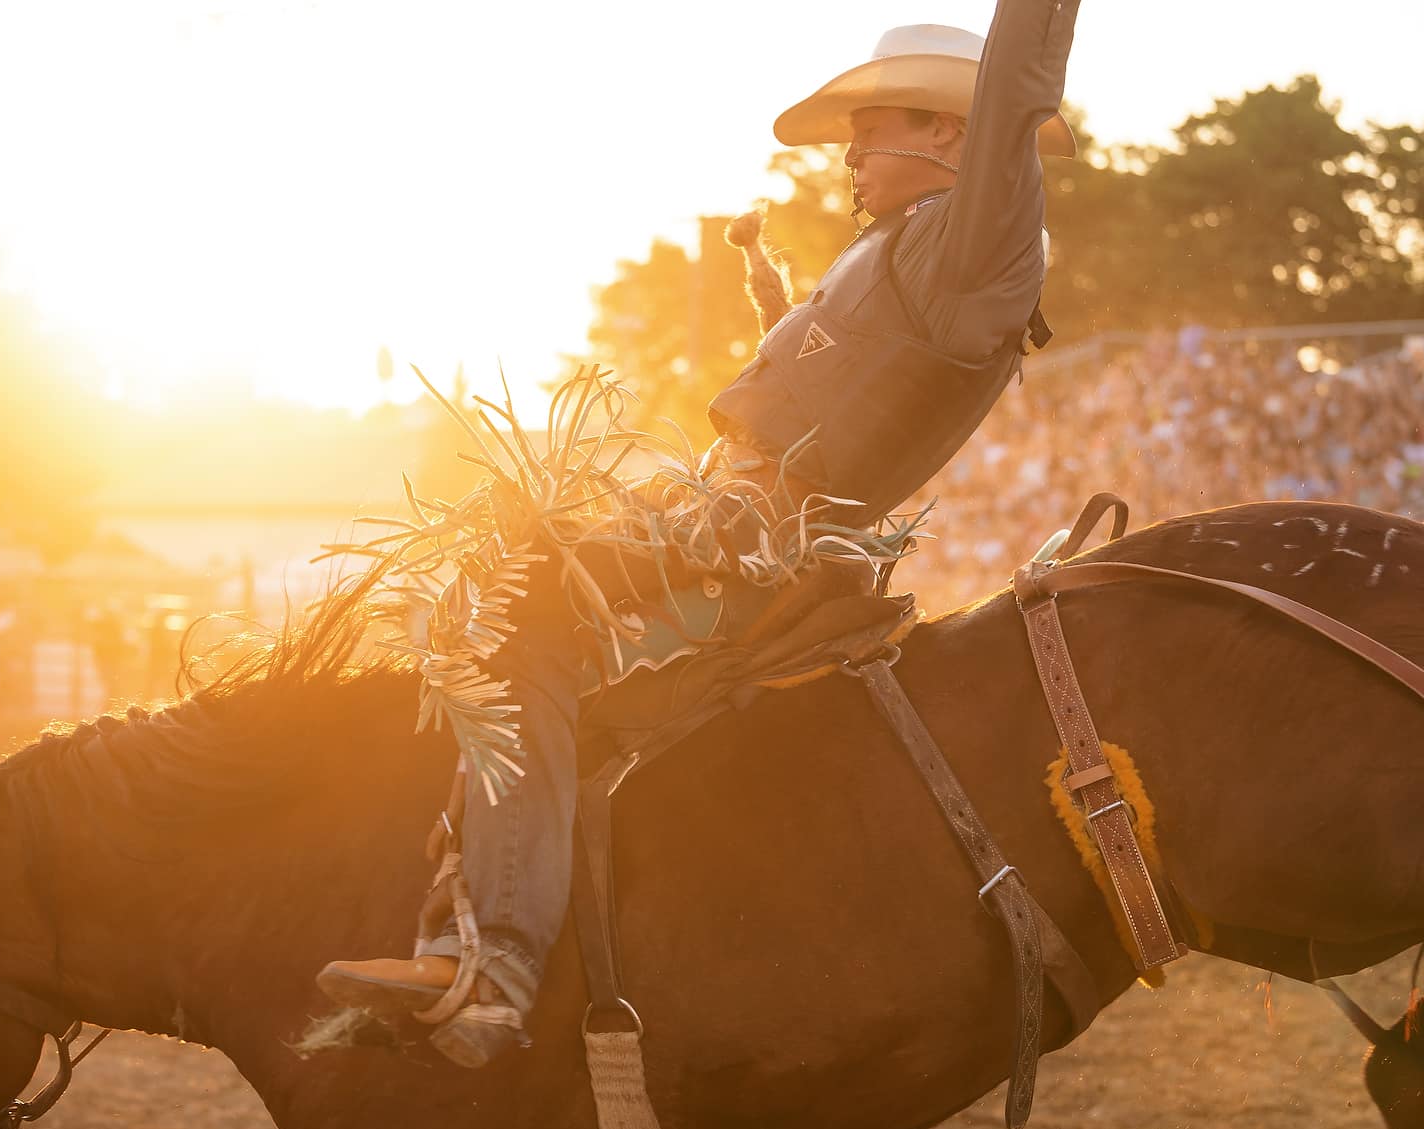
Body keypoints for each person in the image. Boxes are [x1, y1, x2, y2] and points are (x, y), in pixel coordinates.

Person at [316, 0, 1085, 1066]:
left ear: (954, 134)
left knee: (506, 625)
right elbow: (831, 375)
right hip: (720, 522)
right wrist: (767, 289)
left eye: (877, 126)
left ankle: (489, 972)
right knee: (488, 572)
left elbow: (1015, 88)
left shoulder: (976, 241)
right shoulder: (906, 251)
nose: (852, 150)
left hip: (747, 545)